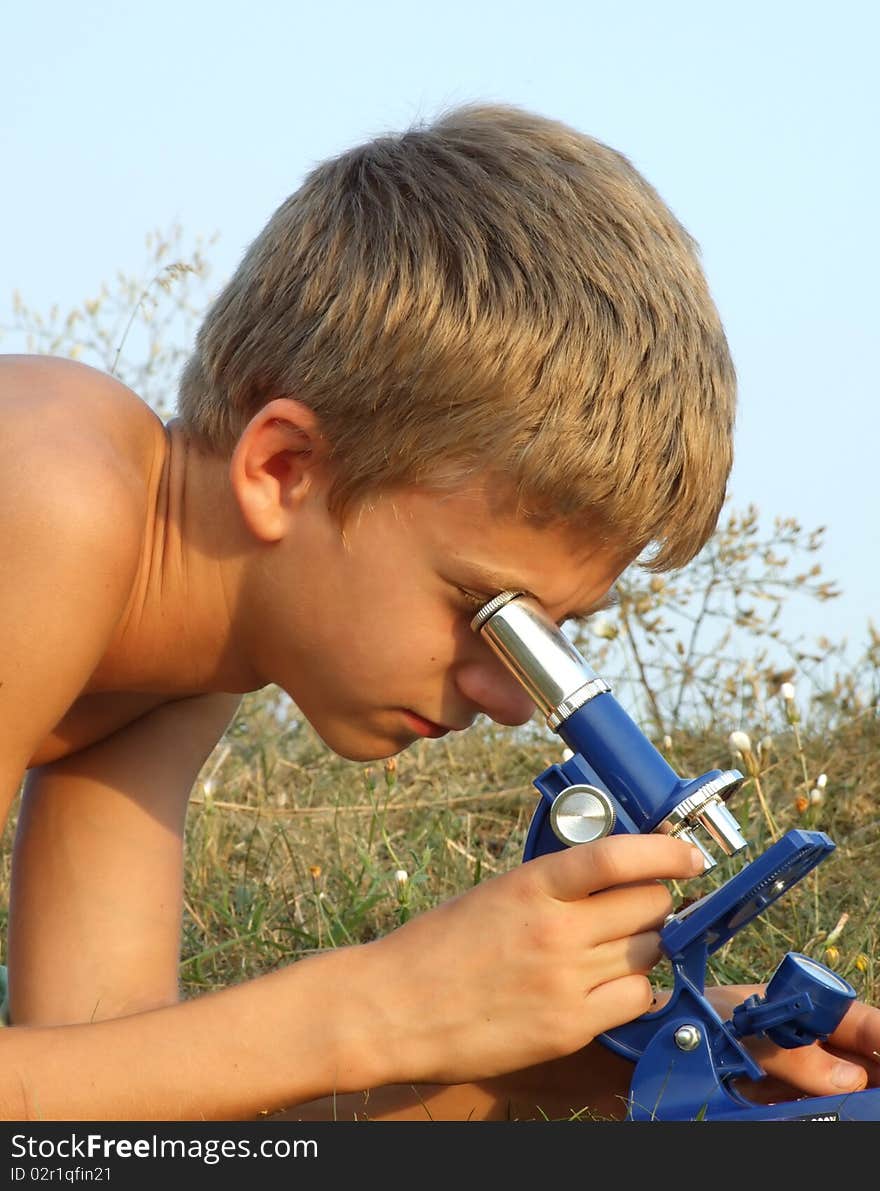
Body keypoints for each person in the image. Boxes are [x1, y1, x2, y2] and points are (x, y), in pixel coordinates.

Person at [1, 104, 877, 1123]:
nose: (508, 699)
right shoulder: (43, 490)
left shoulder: (179, 656)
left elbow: (96, 1114)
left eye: (552, 636)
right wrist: (376, 1004)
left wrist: (583, 1058)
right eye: (487, 611)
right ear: (284, 467)